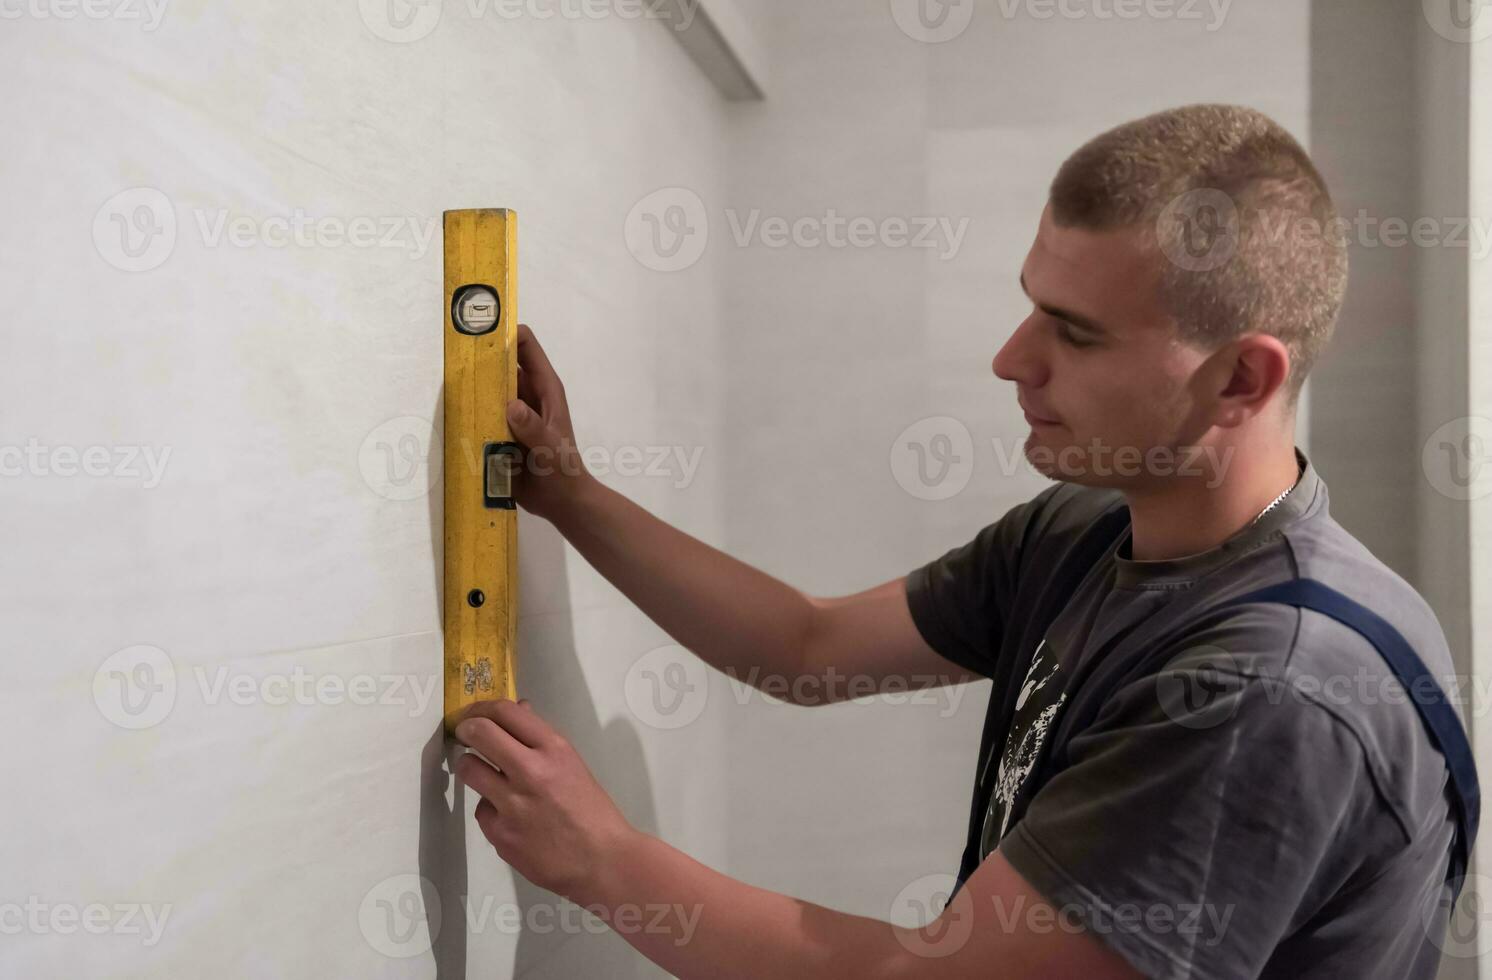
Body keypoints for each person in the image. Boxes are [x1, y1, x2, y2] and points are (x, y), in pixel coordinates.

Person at [451, 103, 1468, 978]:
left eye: (1073, 333)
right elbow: (805, 646)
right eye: (1031, 304)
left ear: (1240, 380)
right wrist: (571, 494)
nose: (1008, 359)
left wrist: (604, 860)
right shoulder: (1087, 528)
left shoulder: (1270, 689)